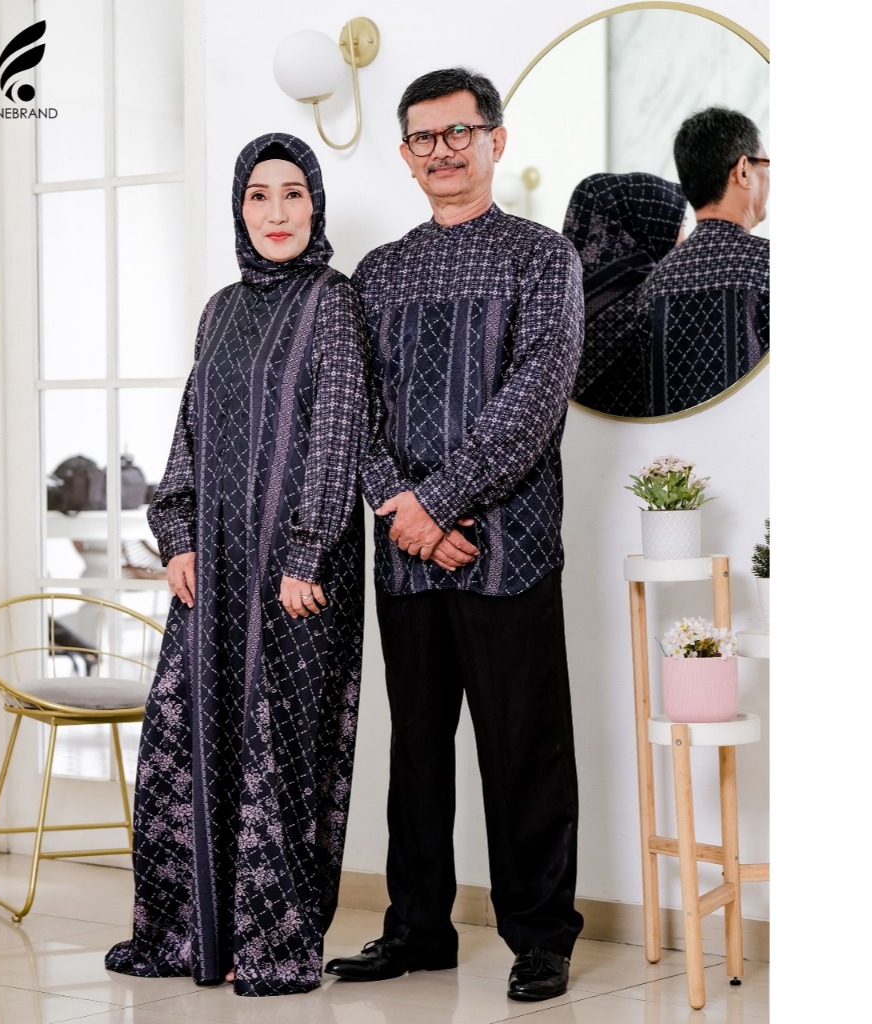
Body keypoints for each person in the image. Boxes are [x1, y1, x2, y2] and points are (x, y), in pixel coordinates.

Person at [323, 67, 584, 1003]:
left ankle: (540, 937)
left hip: (511, 547)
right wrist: (407, 511)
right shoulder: (378, 274)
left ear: (494, 140)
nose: (442, 151)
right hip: (407, 553)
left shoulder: (542, 258)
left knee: (525, 749)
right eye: (424, 138)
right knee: (419, 748)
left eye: (459, 132)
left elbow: (534, 399)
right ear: (405, 155)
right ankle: (417, 929)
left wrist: (438, 504)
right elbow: (355, 410)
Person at [105, 133, 368, 997]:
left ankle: (267, 942)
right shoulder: (219, 308)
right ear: (240, 209)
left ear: (316, 206)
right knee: (192, 736)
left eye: (294, 194)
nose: (277, 212)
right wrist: (177, 535)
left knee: (279, 745)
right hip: (212, 565)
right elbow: (190, 428)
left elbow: (338, 432)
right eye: (260, 195)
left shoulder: (334, 301)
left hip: (297, 575)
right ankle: (197, 931)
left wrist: (307, 550)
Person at [640, 107, 770, 415]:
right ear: (743, 170)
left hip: (676, 446)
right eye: (766, 164)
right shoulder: (769, 264)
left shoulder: (654, 283)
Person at [562, 172, 686, 417]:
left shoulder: (557, 301)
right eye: (679, 225)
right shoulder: (657, 301)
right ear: (650, 227)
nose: (684, 239)